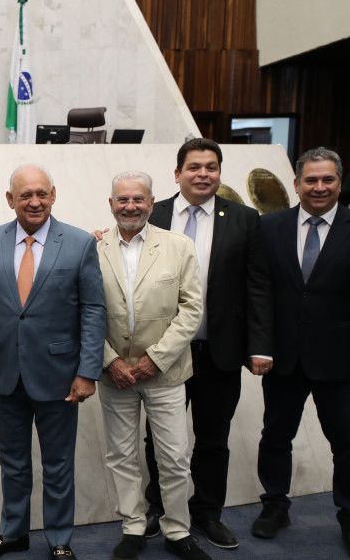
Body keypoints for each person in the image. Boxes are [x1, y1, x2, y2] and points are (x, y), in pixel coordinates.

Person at [0, 164, 106, 560]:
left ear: (53, 195)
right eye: (25, 195)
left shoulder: (78, 243)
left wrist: (88, 372)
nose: (35, 201)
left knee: (58, 464)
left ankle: (59, 539)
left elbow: (93, 309)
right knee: (13, 462)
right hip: (5, 373)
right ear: (11, 200)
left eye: (42, 193)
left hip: (59, 375)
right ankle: (14, 533)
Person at [142, 138, 273, 548]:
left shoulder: (244, 218)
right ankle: (159, 509)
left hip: (219, 352)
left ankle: (206, 513)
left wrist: (260, 345)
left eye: (211, 167)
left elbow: (258, 286)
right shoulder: (153, 214)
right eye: (195, 167)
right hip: (164, 353)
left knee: (213, 438)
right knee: (159, 438)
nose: (203, 174)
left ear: (219, 173)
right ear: (177, 173)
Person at [97, 171, 207, 560]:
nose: (130, 206)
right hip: (114, 376)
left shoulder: (179, 246)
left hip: (166, 373)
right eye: (122, 200)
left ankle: (177, 531)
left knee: (174, 456)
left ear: (151, 202)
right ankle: (133, 526)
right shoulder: (90, 249)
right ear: (111, 204)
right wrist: (110, 361)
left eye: (138, 199)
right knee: (121, 455)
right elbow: (84, 312)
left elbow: (192, 310)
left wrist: (155, 359)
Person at [254, 147, 350, 554]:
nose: (319, 187)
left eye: (327, 179)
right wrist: (259, 346)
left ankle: (347, 515)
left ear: (339, 183)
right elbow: (259, 290)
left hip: (341, 360)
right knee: (276, 436)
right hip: (283, 357)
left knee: (345, 443)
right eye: (311, 180)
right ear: (296, 184)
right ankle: (275, 505)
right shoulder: (270, 227)